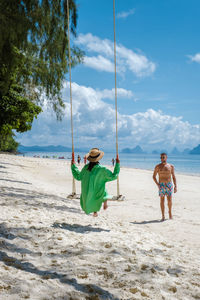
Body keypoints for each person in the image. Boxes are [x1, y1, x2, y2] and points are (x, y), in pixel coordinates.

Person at [71, 148, 120, 217]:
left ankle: (95, 210)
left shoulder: (86, 168)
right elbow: (113, 176)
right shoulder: (102, 169)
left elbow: (78, 177)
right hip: (97, 192)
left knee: (98, 188)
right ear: (98, 158)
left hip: (87, 193)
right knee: (101, 188)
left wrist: (73, 166)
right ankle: (100, 206)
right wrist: (117, 165)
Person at [153, 153, 177, 221]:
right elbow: (154, 176)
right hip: (162, 185)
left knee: (169, 200)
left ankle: (170, 213)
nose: (162, 159)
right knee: (162, 201)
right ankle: (163, 215)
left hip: (169, 184)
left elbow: (174, 176)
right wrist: (157, 184)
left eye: (163, 157)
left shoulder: (171, 166)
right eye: (161, 157)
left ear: (166, 158)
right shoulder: (157, 166)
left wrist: (175, 186)